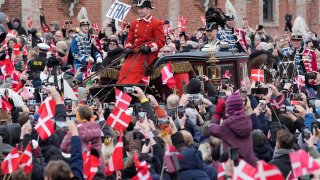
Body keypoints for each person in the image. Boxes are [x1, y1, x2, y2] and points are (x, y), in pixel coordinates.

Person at [117, 0, 165, 84]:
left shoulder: (156, 23)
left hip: (148, 53)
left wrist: (149, 48)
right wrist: (128, 47)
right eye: (138, 8)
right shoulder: (134, 23)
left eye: (142, 8)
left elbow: (161, 41)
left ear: (148, 9)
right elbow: (130, 38)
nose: (139, 10)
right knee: (125, 66)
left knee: (135, 67)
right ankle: (121, 86)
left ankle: (131, 86)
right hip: (135, 51)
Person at [70, 7, 102, 72]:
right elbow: (75, 53)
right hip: (79, 64)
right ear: (80, 27)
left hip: (90, 64)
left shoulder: (89, 38)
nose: (85, 27)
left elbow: (94, 50)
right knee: (81, 78)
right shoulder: (75, 37)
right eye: (84, 26)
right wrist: (85, 59)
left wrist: (98, 56)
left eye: (86, 26)